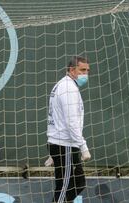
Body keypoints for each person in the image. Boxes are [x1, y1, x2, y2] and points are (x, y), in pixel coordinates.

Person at [46, 56, 91, 203]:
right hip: (64, 145)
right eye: (82, 70)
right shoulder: (68, 88)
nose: (86, 74)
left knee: (76, 184)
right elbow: (71, 122)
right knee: (65, 188)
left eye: (87, 70)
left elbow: (56, 118)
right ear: (72, 70)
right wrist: (83, 146)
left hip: (63, 145)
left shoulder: (63, 85)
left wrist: (54, 150)